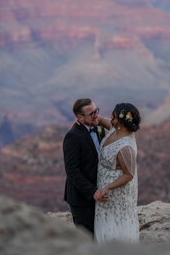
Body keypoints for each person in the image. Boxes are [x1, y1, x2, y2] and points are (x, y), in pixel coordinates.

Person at [94, 102, 141, 244]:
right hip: (104, 189)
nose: (110, 118)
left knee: (115, 226)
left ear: (119, 120)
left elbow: (129, 175)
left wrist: (107, 188)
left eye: (113, 116)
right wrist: (79, 120)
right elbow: (101, 120)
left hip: (115, 194)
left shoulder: (126, 146)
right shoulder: (116, 130)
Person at [63, 98, 107, 235]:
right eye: (92, 113)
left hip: (99, 194)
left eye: (96, 111)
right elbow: (72, 171)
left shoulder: (99, 129)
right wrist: (92, 191)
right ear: (80, 118)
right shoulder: (72, 136)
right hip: (81, 199)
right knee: (88, 238)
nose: (96, 115)